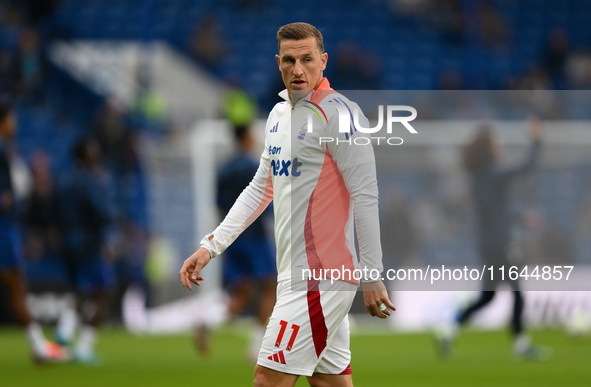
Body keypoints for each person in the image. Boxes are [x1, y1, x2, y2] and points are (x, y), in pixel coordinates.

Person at [180, 22, 395, 386]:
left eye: (307, 59)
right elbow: (259, 189)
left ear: (323, 61)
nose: (298, 69)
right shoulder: (278, 116)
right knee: (329, 382)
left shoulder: (341, 115)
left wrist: (372, 275)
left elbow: (366, 196)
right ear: (278, 62)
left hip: (320, 279)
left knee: (267, 380)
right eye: (290, 60)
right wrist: (210, 245)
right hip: (294, 276)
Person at [437, 118, 547, 360]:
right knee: (517, 292)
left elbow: (495, 210)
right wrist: (537, 140)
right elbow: (526, 167)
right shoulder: (494, 174)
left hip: (488, 244)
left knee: (488, 296)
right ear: (489, 147)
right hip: (501, 243)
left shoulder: (480, 177)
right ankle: (521, 345)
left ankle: (449, 328)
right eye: (497, 142)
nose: (500, 145)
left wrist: (519, 217)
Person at [194, 123, 277, 361]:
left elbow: (218, 202)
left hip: (231, 238)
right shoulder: (254, 166)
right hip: (255, 237)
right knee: (269, 286)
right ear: (248, 137)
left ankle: (207, 322)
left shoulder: (224, 169)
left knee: (243, 293)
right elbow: (262, 200)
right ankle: (256, 348)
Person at [0, 99, 67, 363]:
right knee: (18, 285)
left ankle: (39, 345)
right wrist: (14, 199)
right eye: (11, 119)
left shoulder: (7, 151)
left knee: (17, 285)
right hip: (3, 229)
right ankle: (39, 347)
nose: (14, 124)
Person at [54, 136, 116, 364]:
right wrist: (110, 230)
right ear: (85, 154)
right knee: (103, 291)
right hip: (90, 242)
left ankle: (65, 328)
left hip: (68, 242)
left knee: (82, 290)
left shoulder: (64, 179)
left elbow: (55, 209)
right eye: (92, 149)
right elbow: (101, 211)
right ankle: (82, 345)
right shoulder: (92, 179)